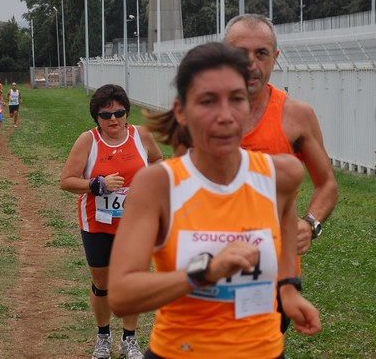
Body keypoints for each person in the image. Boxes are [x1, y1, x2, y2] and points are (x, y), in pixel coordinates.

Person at [108, 42, 321, 359]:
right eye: (208, 102)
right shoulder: (158, 185)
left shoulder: (283, 174)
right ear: (181, 111)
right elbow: (122, 295)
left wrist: (288, 287)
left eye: (237, 99)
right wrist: (204, 272)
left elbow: (286, 217)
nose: (225, 116)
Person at [223, 14, 338, 332]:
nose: (250, 63)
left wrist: (309, 223)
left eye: (261, 53)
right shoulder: (198, 115)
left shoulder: (296, 116)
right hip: (209, 265)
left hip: (271, 271)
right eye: (239, 53)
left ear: (275, 57)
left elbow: (327, 184)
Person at [60, 84, 163, 359]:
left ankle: (129, 339)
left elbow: (157, 161)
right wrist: (97, 185)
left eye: (119, 112)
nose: (113, 119)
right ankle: (103, 335)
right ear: (97, 118)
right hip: (97, 222)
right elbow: (66, 181)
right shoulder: (88, 141)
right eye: (106, 115)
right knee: (102, 284)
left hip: (135, 223)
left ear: (126, 112)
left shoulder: (141, 136)